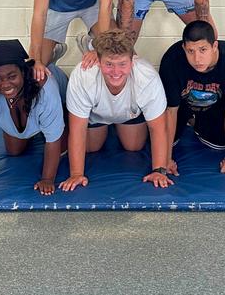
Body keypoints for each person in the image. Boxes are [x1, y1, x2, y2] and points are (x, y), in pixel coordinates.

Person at [60, 30, 172, 191]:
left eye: (122, 64)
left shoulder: (147, 77)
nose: (116, 72)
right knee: (91, 148)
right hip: (96, 114)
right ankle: (89, 45)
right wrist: (76, 174)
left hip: (129, 113)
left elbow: (158, 128)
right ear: (98, 62)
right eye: (109, 64)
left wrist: (159, 171)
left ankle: (119, 124)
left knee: (134, 146)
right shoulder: (83, 75)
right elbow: (77, 130)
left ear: (132, 62)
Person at [0, 39, 67, 197]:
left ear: (23, 72)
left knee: (61, 147)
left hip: (60, 92)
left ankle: (50, 62)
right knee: (14, 151)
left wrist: (47, 179)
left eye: (11, 76)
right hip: (22, 109)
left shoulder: (45, 88)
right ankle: (33, 126)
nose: (5, 84)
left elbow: (53, 141)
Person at [159, 21, 225, 176]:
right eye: (191, 51)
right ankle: (189, 119)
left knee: (220, 144)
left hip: (215, 107)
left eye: (203, 50)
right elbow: (170, 111)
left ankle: (198, 123)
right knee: (160, 142)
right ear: (184, 48)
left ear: (215, 46)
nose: (197, 59)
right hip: (182, 106)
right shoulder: (172, 60)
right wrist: (165, 159)